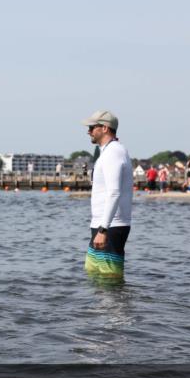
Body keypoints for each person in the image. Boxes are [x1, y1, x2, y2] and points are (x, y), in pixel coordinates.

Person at [80, 111, 132, 279]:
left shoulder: (113, 152)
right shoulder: (107, 152)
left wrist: (103, 229)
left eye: (92, 127)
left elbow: (114, 192)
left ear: (104, 128)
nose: (88, 131)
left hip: (110, 226)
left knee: (109, 280)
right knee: (93, 275)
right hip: (103, 225)